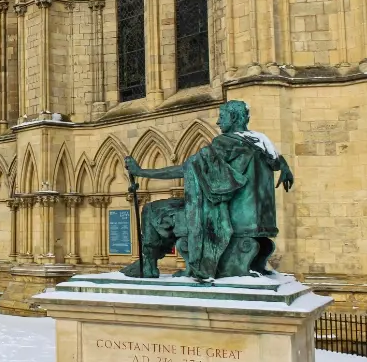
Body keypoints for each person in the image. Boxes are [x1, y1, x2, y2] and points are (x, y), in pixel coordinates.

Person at [122, 100, 294, 280]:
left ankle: (149, 265)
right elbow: (277, 161)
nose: (218, 122)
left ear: (233, 117)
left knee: (152, 210)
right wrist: (285, 167)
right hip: (254, 220)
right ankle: (149, 262)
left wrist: (141, 172)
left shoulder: (226, 143)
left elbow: (187, 168)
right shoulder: (261, 143)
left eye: (222, 117)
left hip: (227, 216)